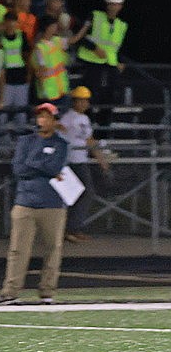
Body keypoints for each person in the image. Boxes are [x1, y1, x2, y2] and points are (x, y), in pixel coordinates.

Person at [0, 103, 69, 305]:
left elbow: (54, 165)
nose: (42, 121)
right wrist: (44, 165)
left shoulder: (61, 144)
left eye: (47, 117)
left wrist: (33, 163)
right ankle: (10, 292)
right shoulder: (26, 141)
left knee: (53, 249)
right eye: (40, 117)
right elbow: (19, 169)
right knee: (18, 249)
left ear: (54, 120)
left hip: (52, 204)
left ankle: (47, 292)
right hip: (25, 202)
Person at [59, 86, 110, 242]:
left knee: (80, 194)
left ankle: (71, 229)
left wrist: (100, 158)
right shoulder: (68, 118)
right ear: (75, 101)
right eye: (81, 100)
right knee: (83, 193)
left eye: (86, 100)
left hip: (80, 160)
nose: (84, 103)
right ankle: (71, 229)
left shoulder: (84, 119)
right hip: (70, 161)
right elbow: (58, 134)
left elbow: (89, 140)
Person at [77, 0, 127, 126]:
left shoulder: (121, 25)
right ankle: (87, 128)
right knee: (88, 96)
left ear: (121, 6)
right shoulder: (95, 16)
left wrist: (121, 62)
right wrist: (94, 48)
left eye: (117, 5)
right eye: (111, 4)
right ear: (106, 4)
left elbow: (119, 47)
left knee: (110, 98)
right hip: (92, 62)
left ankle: (103, 132)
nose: (113, 7)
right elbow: (80, 37)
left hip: (111, 65)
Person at [32, 15, 90, 107]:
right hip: (49, 94)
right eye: (53, 26)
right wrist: (44, 91)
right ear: (47, 28)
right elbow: (40, 71)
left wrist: (86, 26)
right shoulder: (40, 48)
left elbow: (74, 39)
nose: (56, 28)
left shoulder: (57, 41)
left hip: (62, 89)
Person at [0, 12, 33, 141]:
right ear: (5, 23)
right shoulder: (0, 38)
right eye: (8, 22)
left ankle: (19, 144)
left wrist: (28, 75)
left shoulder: (22, 36)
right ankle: (2, 145)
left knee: (20, 114)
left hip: (20, 79)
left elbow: (27, 56)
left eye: (13, 22)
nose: (11, 25)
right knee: (3, 114)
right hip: (6, 80)